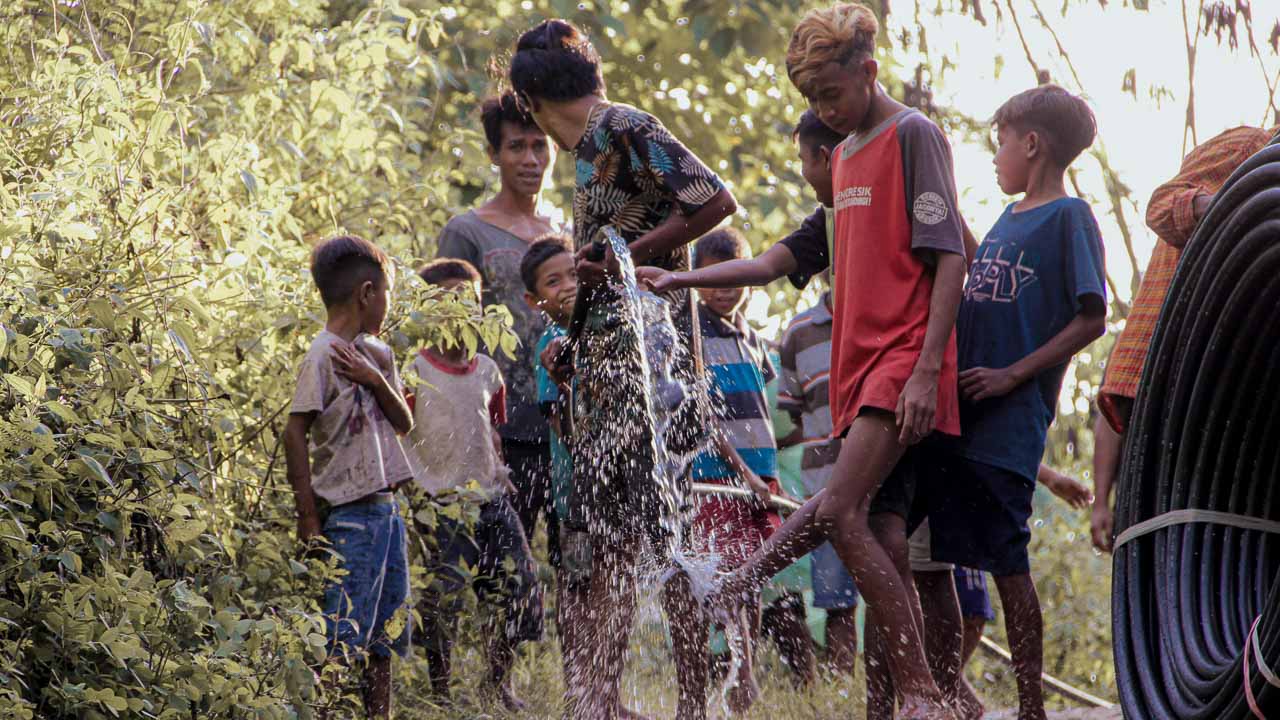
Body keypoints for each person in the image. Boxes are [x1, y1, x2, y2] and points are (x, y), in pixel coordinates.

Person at [642, 5, 969, 716]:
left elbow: (951, 256)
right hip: (858, 375)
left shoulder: (913, 136)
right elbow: (771, 263)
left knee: (842, 511)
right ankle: (922, 700)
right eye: (814, 101)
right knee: (877, 531)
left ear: (868, 72)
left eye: (833, 95)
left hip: (902, 360)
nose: (826, 111)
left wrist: (923, 370)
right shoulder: (843, 157)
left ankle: (921, 692)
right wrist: (680, 279)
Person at [509, 18, 737, 720]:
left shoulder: (625, 125)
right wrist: (572, 348)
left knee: (661, 532)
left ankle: (693, 705)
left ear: (537, 100)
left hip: (651, 362)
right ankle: (602, 700)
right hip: (607, 365)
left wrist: (629, 258)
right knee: (605, 543)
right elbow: (605, 267)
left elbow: (714, 200)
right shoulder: (588, 155)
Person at [919, 84, 1107, 720]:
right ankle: (942, 696)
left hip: (1008, 423)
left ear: (1032, 143)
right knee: (935, 559)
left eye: (1000, 140)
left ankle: (1032, 708)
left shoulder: (1069, 216)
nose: (995, 154)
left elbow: (1092, 319)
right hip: (957, 417)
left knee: (1007, 560)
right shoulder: (1008, 216)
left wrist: (1010, 377)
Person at [1090, 124, 1276, 552]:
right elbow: (1161, 206)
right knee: (1163, 546)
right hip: (1166, 383)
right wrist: (1241, 209)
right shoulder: (1253, 147)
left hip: (1233, 399)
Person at [399, 259, 543, 710]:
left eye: (469, 298)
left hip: (492, 498)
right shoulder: (414, 370)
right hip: (440, 502)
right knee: (444, 599)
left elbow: (491, 430)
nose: (460, 306)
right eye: (447, 297)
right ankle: (440, 691)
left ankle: (498, 684)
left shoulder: (487, 370)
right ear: (428, 309)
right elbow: (400, 432)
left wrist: (499, 472)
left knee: (518, 585)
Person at [283, 235, 415, 719]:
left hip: (387, 510)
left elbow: (405, 423)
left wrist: (375, 378)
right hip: (351, 516)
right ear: (366, 294)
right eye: (387, 294)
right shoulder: (322, 355)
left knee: (387, 631)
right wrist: (308, 517)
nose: (387, 304)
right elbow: (294, 431)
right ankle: (328, 712)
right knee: (343, 630)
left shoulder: (377, 355)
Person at [436, 92, 562, 564]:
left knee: (578, 568)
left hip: (563, 426)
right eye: (516, 147)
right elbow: (449, 333)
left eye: (539, 146)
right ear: (493, 154)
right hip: (501, 429)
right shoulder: (467, 231)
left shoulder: (561, 234)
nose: (530, 159)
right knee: (502, 576)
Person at [773, 111, 861, 678]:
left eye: (805, 160)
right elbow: (790, 418)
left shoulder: (876, 320)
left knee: (891, 560)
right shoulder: (800, 332)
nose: (803, 172)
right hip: (822, 471)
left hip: (877, 458)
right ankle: (838, 682)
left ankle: (907, 683)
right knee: (832, 585)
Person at [689, 227, 782, 713]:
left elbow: (762, 410)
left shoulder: (754, 340)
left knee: (755, 573)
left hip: (761, 477)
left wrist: (761, 474)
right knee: (725, 576)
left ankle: (745, 670)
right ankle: (734, 673)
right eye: (713, 278)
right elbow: (702, 419)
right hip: (719, 476)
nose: (724, 289)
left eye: (734, 278)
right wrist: (742, 472)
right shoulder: (693, 336)